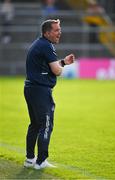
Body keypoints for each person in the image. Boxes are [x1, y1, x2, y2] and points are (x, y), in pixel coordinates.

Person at [24, 19, 75, 170]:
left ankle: (29, 159)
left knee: (35, 124)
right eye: (56, 30)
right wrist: (62, 67)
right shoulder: (46, 46)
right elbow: (56, 71)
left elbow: (49, 65)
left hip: (31, 88)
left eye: (60, 29)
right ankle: (41, 162)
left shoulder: (40, 43)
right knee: (46, 125)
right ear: (47, 33)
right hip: (40, 90)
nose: (60, 32)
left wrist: (63, 62)